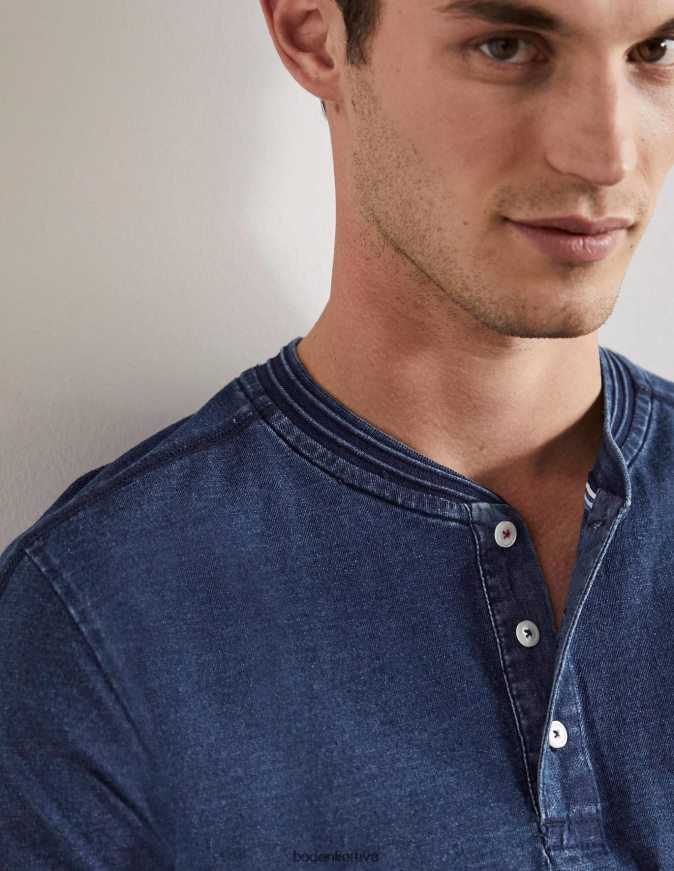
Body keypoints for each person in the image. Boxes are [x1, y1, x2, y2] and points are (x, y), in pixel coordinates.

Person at [2, 0, 674, 867]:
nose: (608, 156)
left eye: (657, 50)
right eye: (508, 47)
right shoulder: (95, 620)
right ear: (314, 35)